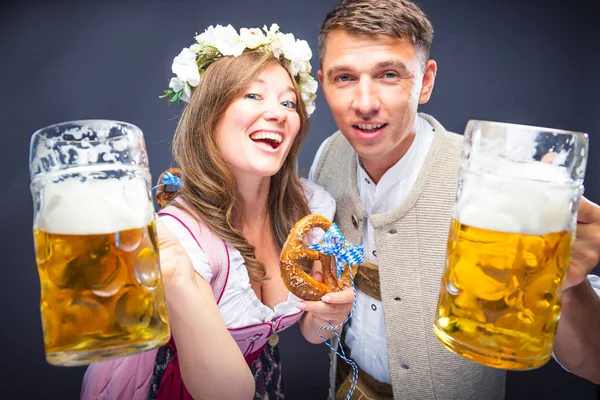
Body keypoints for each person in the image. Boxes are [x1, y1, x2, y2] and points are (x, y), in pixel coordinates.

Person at [305, 0, 600, 398]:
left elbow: (593, 363)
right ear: (323, 83)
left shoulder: (493, 181)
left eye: (389, 74)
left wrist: (569, 284)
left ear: (425, 81)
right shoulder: (329, 154)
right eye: (344, 78)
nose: (364, 103)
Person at [82, 23, 354, 400]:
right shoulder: (177, 239)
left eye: (288, 102)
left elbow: (312, 330)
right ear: (209, 115)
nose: (277, 113)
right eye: (252, 96)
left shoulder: (311, 209)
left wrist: (331, 315)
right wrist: (178, 278)